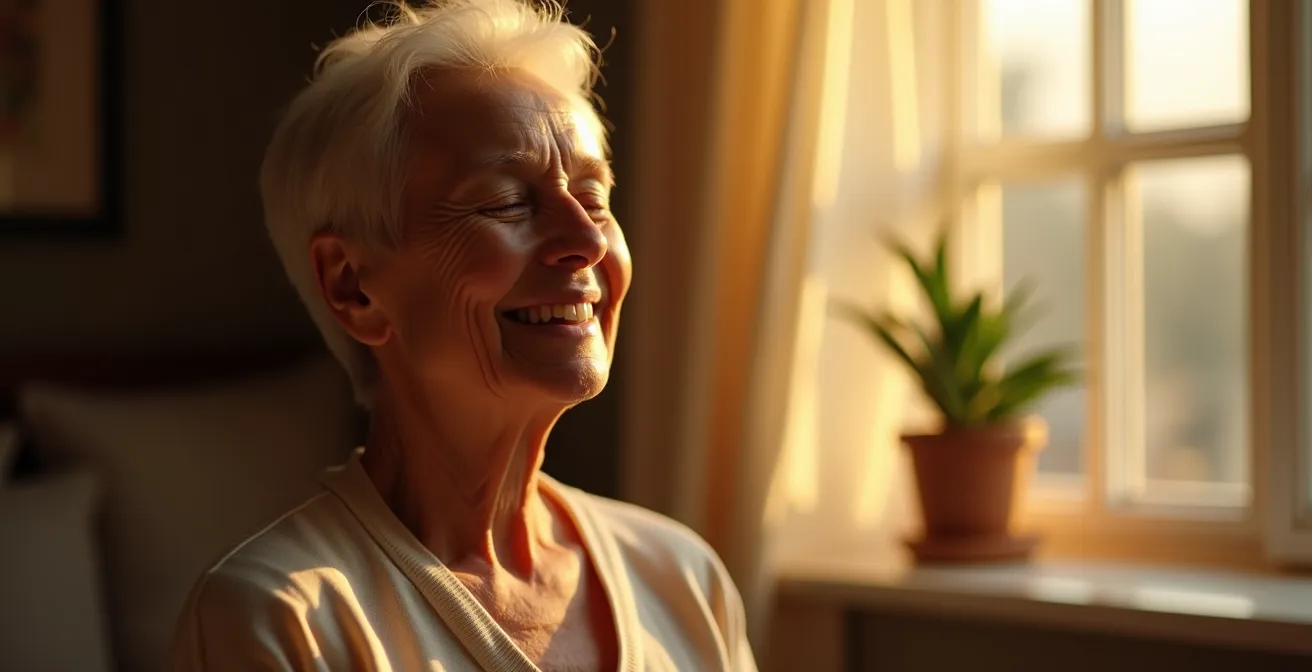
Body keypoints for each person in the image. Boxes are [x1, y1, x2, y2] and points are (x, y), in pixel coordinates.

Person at [168, 0, 756, 670]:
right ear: (353, 288)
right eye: (506, 201)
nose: (588, 240)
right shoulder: (280, 617)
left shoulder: (683, 579)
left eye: (594, 199)